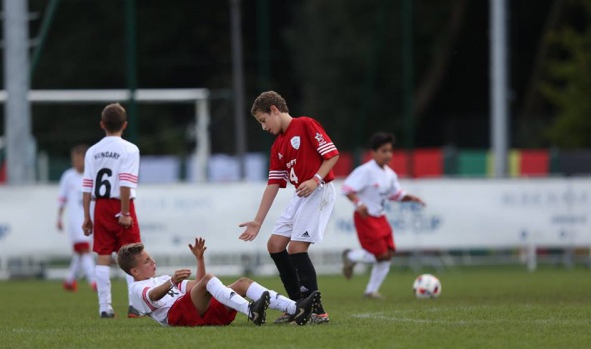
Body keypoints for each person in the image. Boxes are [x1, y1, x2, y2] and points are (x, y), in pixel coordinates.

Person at [239, 91, 339, 324]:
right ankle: (297, 306)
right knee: (275, 245)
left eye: (263, 120)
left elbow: (332, 155)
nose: (263, 127)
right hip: (300, 195)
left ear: (274, 110)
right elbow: (273, 184)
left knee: (295, 247)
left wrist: (315, 179)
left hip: (320, 189)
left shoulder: (305, 124)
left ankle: (317, 311)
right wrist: (257, 221)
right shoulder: (278, 146)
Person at [117, 237, 321, 327]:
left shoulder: (160, 279)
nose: (152, 262)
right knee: (209, 280)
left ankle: (296, 308)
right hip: (177, 318)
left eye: (150, 257)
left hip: (198, 313)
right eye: (146, 261)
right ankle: (252, 311)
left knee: (242, 283)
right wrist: (171, 282)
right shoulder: (136, 288)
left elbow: (199, 287)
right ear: (134, 270)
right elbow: (152, 297)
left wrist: (199, 259)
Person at [341, 132, 426, 299]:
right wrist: (359, 204)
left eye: (390, 151)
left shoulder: (390, 174)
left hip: (381, 217)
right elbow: (347, 189)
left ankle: (370, 290)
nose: (388, 154)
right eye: (384, 150)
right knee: (380, 254)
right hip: (366, 218)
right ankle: (350, 256)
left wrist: (411, 198)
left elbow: (396, 195)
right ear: (373, 152)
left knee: (388, 255)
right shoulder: (365, 171)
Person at [82, 103, 142, 318]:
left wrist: (86, 216)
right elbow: (125, 183)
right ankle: (135, 305)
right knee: (132, 255)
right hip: (121, 203)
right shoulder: (129, 149)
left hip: (100, 207)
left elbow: (87, 186)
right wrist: (125, 213)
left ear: (102, 124)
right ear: (125, 125)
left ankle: (104, 307)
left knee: (103, 256)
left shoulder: (93, 151)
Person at [57, 144, 97, 292]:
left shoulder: (92, 175)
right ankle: (94, 281)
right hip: (76, 220)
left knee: (81, 252)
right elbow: (62, 198)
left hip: (90, 218)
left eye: (78, 159)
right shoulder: (68, 176)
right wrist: (59, 217)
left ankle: (69, 280)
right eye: (73, 159)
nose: (75, 162)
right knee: (84, 250)